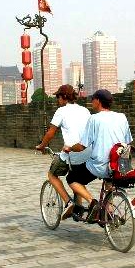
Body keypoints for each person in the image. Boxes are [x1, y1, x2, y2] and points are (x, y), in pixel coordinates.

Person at [63, 89, 133, 221]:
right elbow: (128, 142)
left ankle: (92, 202)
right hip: (120, 165)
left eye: (93, 99)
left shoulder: (94, 119)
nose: (91, 102)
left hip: (99, 165)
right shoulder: (122, 117)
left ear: (98, 101)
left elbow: (82, 146)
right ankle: (108, 213)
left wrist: (69, 148)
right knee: (109, 180)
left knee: (72, 178)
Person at [36, 84, 92, 219]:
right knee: (76, 177)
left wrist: (42, 146)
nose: (57, 100)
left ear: (63, 97)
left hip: (72, 152)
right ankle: (78, 208)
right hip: (89, 151)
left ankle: (69, 203)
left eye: (58, 97)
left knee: (52, 175)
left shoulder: (61, 111)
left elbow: (50, 133)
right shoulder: (85, 110)